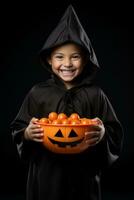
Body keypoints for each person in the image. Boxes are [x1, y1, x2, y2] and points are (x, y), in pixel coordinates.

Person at [10, 5, 123, 200]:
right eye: (59, 57)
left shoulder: (96, 94)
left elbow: (114, 132)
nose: (67, 64)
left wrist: (103, 133)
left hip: (84, 176)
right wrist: (26, 134)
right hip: (46, 175)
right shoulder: (38, 93)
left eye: (75, 57)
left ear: (85, 60)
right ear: (49, 60)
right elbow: (19, 127)